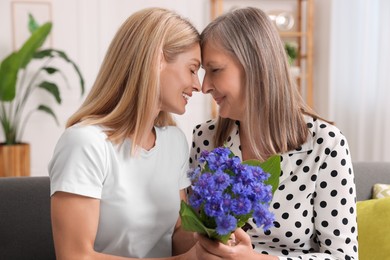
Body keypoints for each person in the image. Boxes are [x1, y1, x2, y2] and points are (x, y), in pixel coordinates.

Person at [190, 7, 358, 260]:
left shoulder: (325, 144)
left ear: (254, 66)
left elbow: (343, 256)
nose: (204, 86)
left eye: (215, 69)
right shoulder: (206, 138)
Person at [48, 7, 201, 259]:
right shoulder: (85, 143)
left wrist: (211, 237)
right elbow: (75, 255)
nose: (197, 84)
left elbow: (176, 233)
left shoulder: (174, 142)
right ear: (157, 59)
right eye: (192, 69)